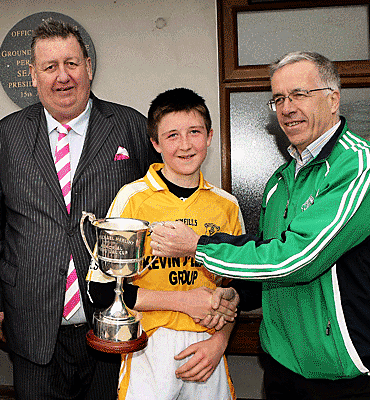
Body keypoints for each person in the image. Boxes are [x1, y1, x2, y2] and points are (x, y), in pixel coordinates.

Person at [0, 20, 237, 399]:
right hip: (31, 317)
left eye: (71, 63)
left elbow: (167, 196)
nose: (62, 76)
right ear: (33, 75)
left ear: (88, 66)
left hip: (115, 325)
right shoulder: (6, 134)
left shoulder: (129, 126)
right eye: (49, 67)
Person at [150, 51, 370, 399]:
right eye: (279, 98)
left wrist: (199, 246)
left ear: (333, 99)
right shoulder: (279, 182)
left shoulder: (361, 165)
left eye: (299, 94)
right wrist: (237, 293)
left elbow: (298, 258)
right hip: (282, 370)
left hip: (346, 377)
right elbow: (270, 261)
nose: (287, 108)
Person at [86, 87, 254, 400]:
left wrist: (220, 341)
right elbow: (102, 289)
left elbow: (238, 291)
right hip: (148, 347)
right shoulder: (132, 199)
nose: (186, 144)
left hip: (208, 347)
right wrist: (184, 301)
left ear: (209, 136)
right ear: (155, 143)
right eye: (172, 135)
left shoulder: (226, 205)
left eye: (194, 132)